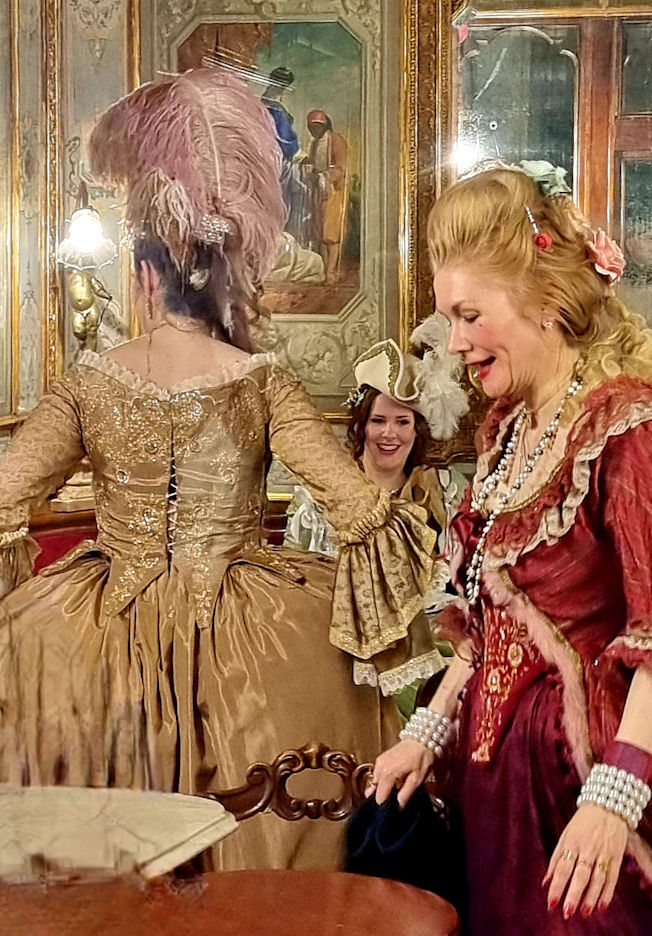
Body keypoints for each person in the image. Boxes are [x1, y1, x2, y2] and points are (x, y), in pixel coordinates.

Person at [0, 68, 442, 872]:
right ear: (228, 278)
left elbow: (5, 495)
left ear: (143, 275)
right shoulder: (264, 380)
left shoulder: (87, 382)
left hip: (96, 640)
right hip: (251, 643)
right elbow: (359, 508)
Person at [368, 162, 652, 935]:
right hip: (497, 788)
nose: (455, 343)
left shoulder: (627, 432)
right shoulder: (508, 432)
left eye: (469, 315)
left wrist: (614, 796)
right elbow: (485, 624)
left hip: (583, 791)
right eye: (448, 319)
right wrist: (428, 730)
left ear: (545, 300)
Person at [286, 322, 468, 588]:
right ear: (361, 427)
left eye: (402, 422)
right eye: (378, 420)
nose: (389, 433)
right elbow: (294, 578)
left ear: (417, 431)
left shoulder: (446, 492)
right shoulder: (321, 493)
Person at [304, 110, 349, 282]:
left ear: (324, 126)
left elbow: (341, 166)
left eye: (317, 127)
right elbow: (314, 162)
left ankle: (331, 272)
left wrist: (327, 176)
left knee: (332, 233)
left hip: (334, 191)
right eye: (311, 127)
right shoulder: (315, 143)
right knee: (319, 232)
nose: (314, 130)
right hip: (318, 190)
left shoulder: (336, 140)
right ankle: (323, 271)